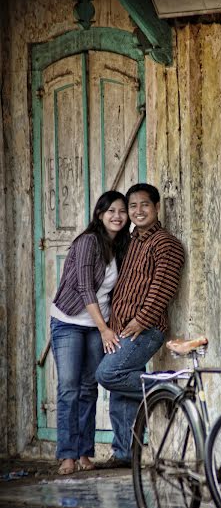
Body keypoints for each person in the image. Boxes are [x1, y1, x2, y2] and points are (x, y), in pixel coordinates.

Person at [95, 183, 185, 466]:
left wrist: (140, 320)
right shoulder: (132, 241)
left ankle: (166, 387)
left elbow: (164, 288)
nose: (137, 211)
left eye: (144, 205)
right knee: (120, 391)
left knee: (108, 374)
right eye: (132, 206)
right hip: (122, 327)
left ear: (156, 208)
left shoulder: (166, 244)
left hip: (146, 329)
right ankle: (124, 454)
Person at [50, 191, 130, 475]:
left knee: (89, 388)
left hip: (99, 324)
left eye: (122, 211)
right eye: (111, 211)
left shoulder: (121, 245)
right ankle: (67, 455)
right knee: (69, 387)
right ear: (100, 214)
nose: (117, 216)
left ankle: (84, 452)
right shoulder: (88, 242)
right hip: (70, 321)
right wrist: (106, 330)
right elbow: (85, 287)